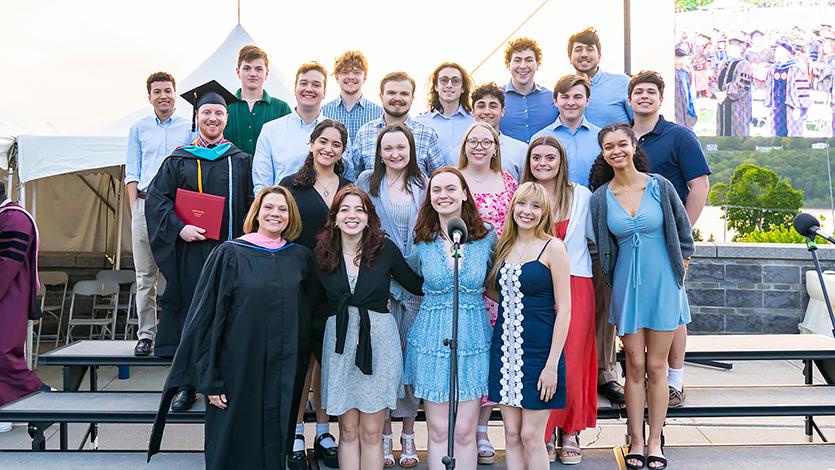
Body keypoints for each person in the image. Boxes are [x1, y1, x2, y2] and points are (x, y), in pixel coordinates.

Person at [148, 186, 319, 470]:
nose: (275, 213)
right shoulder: (230, 254)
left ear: (291, 217)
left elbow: (313, 310)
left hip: (283, 371)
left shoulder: (300, 258)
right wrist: (209, 377)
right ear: (256, 213)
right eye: (269, 207)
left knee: (275, 445)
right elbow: (205, 318)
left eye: (282, 209)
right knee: (233, 445)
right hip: (236, 372)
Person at [588, 123, 694, 470]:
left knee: (656, 366)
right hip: (625, 287)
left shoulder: (659, 186)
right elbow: (602, 247)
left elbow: (684, 235)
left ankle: (655, 441)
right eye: (608, 147)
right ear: (603, 153)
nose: (616, 151)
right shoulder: (601, 197)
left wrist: (679, 275)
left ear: (633, 146)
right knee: (633, 366)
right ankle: (635, 439)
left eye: (622, 144)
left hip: (664, 284)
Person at [145, 80, 254, 412]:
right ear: (196, 117)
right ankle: (187, 383)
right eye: (206, 112)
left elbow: (253, 202)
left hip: (231, 250)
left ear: (226, 118)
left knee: (230, 314)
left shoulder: (241, 160)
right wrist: (180, 229)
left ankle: (225, 379)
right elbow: (156, 199)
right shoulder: (178, 160)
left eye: (219, 113)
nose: (213, 118)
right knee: (195, 314)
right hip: (193, 252)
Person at [315, 186, 424, 470]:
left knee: (373, 432)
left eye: (359, 209)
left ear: (369, 217)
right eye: (345, 210)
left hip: (378, 342)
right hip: (338, 343)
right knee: (348, 431)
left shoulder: (384, 249)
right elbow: (310, 301)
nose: (352, 215)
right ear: (335, 218)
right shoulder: (323, 252)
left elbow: (416, 285)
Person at [404, 167, 495, 470]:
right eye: (436, 190)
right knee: (440, 430)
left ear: (465, 194)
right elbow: (404, 277)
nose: (443, 195)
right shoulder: (421, 242)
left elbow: (501, 280)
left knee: (465, 431)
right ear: (429, 198)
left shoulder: (486, 238)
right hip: (431, 338)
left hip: (473, 338)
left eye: (450, 189)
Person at [629, 71, 710, 408]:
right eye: (638, 92)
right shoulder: (623, 138)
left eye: (651, 92)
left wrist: (682, 233)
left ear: (661, 99)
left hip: (669, 242)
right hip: (630, 243)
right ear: (630, 99)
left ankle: (674, 380)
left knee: (672, 311)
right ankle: (642, 376)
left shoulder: (679, 136)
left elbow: (699, 186)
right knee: (636, 309)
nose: (644, 97)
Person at [279, 119, 352, 470]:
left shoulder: (349, 189)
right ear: (311, 144)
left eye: (336, 144)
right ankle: (295, 432)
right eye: (323, 141)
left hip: (336, 283)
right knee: (301, 358)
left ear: (342, 151)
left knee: (328, 358)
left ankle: (324, 431)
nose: (328, 148)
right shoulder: (291, 187)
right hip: (299, 280)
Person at [522, 137, 597, 465]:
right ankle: (544, 430)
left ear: (561, 161)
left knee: (572, 359)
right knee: (541, 358)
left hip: (576, 282)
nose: (542, 163)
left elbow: (596, 239)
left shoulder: (581, 195)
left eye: (549, 157)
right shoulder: (523, 196)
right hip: (536, 288)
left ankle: (570, 430)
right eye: (536, 157)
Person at [486, 182, 571, 470]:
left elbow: (565, 309)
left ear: (544, 212)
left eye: (536, 206)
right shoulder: (504, 246)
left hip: (540, 353)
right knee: (511, 435)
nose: (527, 211)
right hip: (505, 350)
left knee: (532, 435)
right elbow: (495, 290)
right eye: (522, 204)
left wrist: (552, 365)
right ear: (513, 208)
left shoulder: (553, 247)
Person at [356, 124, 426, 468]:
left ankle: (409, 434)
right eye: (388, 148)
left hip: (416, 282)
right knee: (384, 364)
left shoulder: (422, 185)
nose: (395, 154)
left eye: (401, 147)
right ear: (379, 151)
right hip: (380, 281)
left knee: (410, 363)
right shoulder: (367, 182)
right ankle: (383, 435)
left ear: (411, 150)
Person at [456, 121, 518, 464]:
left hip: (496, 281)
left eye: (486, 141)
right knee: (465, 353)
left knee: (491, 353)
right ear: (464, 145)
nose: (479, 146)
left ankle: (481, 428)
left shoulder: (508, 182)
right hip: (463, 281)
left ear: (496, 147)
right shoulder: (452, 177)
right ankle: (458, 425)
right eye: (473, 141)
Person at [125, 71, 194, 357]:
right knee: (145, 275)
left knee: (177, 273)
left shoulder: (188, 127)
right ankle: (146, 335)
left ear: (175, 93)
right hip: (144, 203)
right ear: (149, 96)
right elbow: (131, 171)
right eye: (157, 91)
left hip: (175, 208)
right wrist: (135, 209)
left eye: (168, 90)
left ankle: (175, 334)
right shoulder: (138, 128)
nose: (163, 95)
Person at [0, 181, 48, 433]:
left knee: (5, 355)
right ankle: (6, 411)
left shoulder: (15, 219)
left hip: (10, 296)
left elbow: (6, 264)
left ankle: (46, 399)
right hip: (6, 296)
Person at [348, 72, 446, 178]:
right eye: (391, 93)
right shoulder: (365, 133)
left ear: (412, 99)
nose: (397, 98)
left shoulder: (427, 134)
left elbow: (440, 177)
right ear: (381, 96)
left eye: (404, 94)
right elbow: (354, 176)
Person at [253, 62, 329, 193]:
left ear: (324, 92)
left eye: (316, 85)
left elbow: (346, 176)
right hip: (282, 210)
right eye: (303, 83)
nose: (309, 89)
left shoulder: (336, 132)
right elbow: (262, 183)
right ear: (295, 89)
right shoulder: (271, 130)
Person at [532, 74, 601, 188]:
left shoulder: (600, 138)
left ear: (587, 101)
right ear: (555, 101)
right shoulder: (539, 138)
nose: (571, 102)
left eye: (577, 97)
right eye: (565, 97)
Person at [225, 45, 292, 156]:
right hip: (232, 172)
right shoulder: (224, 107)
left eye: (259, 69)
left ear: (267, 73)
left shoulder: (282, 109)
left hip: (271, 173)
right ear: (238, 72)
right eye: (247, 68)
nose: (253, 74)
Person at [456, 83, 528, 181]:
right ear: (472, 111)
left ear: (502, 111)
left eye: (493, 106)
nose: (486, 111)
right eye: (481, 106)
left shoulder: (521, 150)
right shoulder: (457, 153)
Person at [566, 27, 633, 127]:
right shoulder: (563, 90)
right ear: (570, 57)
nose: (584, 54)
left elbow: (641, 125)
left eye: (590, 49)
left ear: (599, 56)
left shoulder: (623, 83)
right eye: (578, 49)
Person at [499, 38, 558, 143]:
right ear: (508, 65)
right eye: (517, 60)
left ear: (538, 64)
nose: (522, 66)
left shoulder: (552, 99)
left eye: (528, 60)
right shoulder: (496, 98)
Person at [322, 50, 383, 142]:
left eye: (357, 72)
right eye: (345, 72)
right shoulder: (323, 112)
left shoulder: (379, 113)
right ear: (337, 77)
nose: (351, 77)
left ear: (365, 77)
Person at [415, 62, 475, 154]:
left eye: (455, 81)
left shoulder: (475, 122)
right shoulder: (420, 123)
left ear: (463, 88)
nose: (449, 85)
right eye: (444, 80)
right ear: (436, 86)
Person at [765, 39, 812, 137]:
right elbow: (769, 88)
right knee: (775, 133)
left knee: (792, 134)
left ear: (788, 53)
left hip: (791, 107)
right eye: (776, 51)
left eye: (780, 51)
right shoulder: (773, 69)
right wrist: (769, 104)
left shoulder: (796, 69)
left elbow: (802, 90)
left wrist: (798, 107)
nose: (777, 54)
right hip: (776, 106)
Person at [714, 36, 753, 137]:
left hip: (737, 106)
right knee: (722, 129)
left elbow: (741, 86)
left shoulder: (745, 65)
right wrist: (717, 92)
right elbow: (714, 79)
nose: (730, 50)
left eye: (733, 48)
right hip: (722, 103)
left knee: (737, 132)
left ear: (740, 50)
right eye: (729, 48)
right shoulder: (724, 63)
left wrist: (725, 93)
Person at [674, 47, 698, 130]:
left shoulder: (686, 72)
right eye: (678, 58)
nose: (681, 61)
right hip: (678, 107)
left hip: (687, 104)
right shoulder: (672, 73)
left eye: (682, 58)